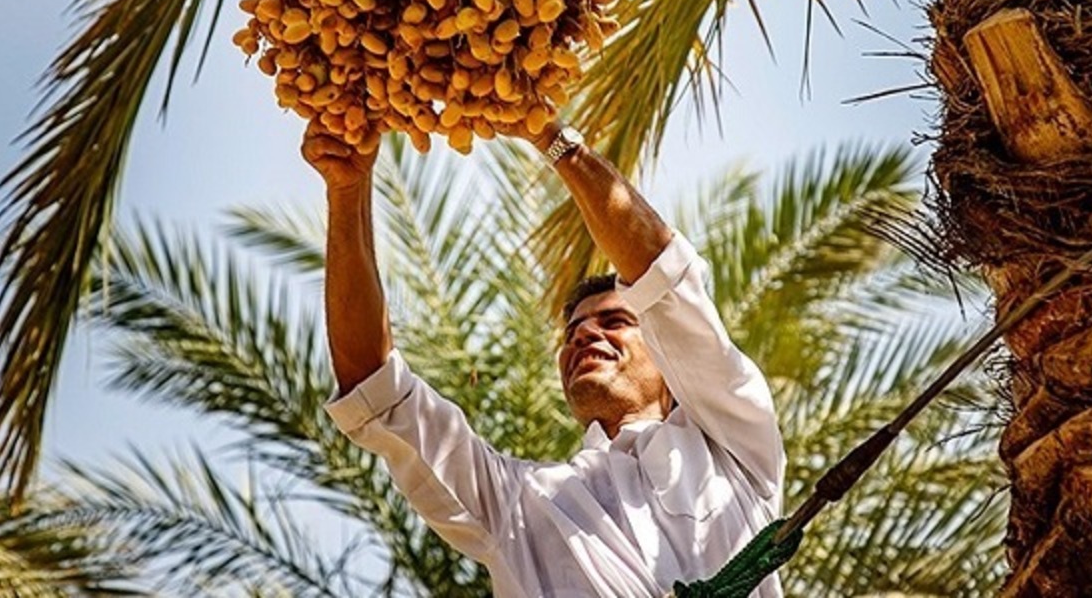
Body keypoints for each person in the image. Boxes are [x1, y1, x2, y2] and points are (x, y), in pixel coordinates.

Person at [302, 117, 785, 597]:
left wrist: (547, 134)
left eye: (614, 322)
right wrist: (347, 189)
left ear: (667, 357)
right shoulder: (519, 503)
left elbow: (664, 280)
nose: (584, 335)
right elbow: (377, 392)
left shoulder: (735, 442)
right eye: (572, 331)